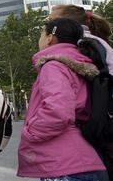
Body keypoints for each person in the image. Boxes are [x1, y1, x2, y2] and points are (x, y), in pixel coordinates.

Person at [17, 18, 106, 180]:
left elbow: (58, 111)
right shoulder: (79, 64)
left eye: (41, 35)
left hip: (64, 164)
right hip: (85, 160)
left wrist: (31, 132)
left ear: (49, 38)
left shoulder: (53, 66)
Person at [49, 4, 113, 73]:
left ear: (68, 23)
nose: (47, 27)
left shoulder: (84, 42)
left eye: (51, 22)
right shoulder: (86, 39)